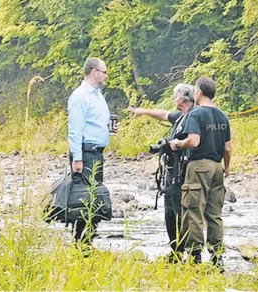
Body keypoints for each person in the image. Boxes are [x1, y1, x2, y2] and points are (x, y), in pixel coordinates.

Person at [169, 77, 231, 270]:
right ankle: (217, 258)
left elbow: (193, 141)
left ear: (198, 92)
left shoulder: (196, 114)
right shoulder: (222, 116)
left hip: (198, 166)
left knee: (193, 210)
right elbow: (227, 148)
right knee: (214, 213)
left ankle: (195, 256)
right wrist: (226, 168)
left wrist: (178, 144)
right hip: (217, 167)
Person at [128, 83, 195, 262]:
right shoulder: (180, 116)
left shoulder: (194, 117)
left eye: (175, 96)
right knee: (169, 213)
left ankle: (187, 251)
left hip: (183, 171)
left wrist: (176, 145)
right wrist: (142, 111)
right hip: (171, 171)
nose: (173, 99)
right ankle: (175, 251)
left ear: (182, 98)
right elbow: (164, 114)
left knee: (180, 212)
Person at [68, 57, 116, 244]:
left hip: (97, 153)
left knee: (94, 198)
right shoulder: (80, 96)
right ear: (94, 71)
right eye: (104, 72)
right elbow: (75, 130)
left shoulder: (98, 95)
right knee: (83, 199)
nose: (106, 75)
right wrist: (77, 159)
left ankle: (87, 240)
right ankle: (81, 243)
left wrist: (108, 128)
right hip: (85, 153)